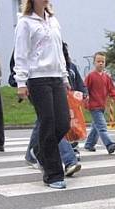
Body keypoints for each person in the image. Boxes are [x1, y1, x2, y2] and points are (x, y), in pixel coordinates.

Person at [14, 0, 70, 189]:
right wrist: (21, 82)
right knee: (47, 122)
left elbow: (59, 50)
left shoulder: (53, 20)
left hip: (56, 77)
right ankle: (53, 175)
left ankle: (38, 150)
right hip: (37, 78)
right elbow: (20, 53)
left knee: (63, 123)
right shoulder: (25, 22)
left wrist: (64, 76)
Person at [25, 42, 85, 177]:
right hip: (38, 83)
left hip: (57, 85)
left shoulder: (54, 31)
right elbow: (19, 59)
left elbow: (75, 78)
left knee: (52, 124)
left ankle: (35, 152)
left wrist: (67, 82)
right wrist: (21, 83)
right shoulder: (27, 27)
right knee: (50, 124)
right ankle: (67, 161)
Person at [84, 52, 115, 154]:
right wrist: (85, 99)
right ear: (94, 63)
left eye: (103, 61)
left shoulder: (106, 77)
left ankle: (89, 144)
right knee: (102, 126)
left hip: (102, 105)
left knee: (96, 126)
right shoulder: (90, 76)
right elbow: (85, 88)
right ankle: (109, 144)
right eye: (98, 61)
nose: (100, 63)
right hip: (94, 106)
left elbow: (112, 89)